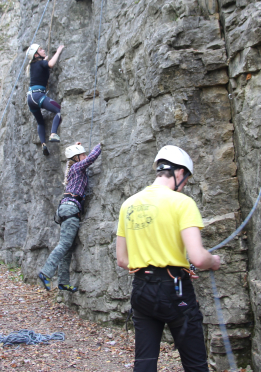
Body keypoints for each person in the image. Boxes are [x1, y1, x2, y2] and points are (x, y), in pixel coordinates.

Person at [115, 145, 221, 372]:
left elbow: (122, 260)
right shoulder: (182, 203)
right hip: (175, 290)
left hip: (141, 289)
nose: (185, 187)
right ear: (179, 172)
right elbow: (199, 259)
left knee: (144, 363)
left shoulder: (129, 205)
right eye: (187, 180)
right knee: (194, 363)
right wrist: (213, 260)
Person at [38, 142, 102, 292]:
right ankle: (46, 272)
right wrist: (100, 145)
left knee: (68, 246)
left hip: (66, 208)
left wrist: (77, 147)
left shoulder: (72, 168)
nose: (85, 156)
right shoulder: (76, 167)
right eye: (82, 154)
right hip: (71, 208)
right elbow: (91, 159)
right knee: (64, 245)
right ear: (76, 158)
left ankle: (63, 281)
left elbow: (83, 159)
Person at [26, 43, 65, 156]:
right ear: (36, 54)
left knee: (40, 122)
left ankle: (44, 144)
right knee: (59, 110)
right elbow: (51, 64)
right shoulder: (41, 63)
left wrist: (45, 60)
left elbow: (44, 66)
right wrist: (58, 51)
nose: (43, 50)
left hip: (30, 98)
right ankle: (53, 133)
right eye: (41, 49)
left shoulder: (33, 65)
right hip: (38, 96)